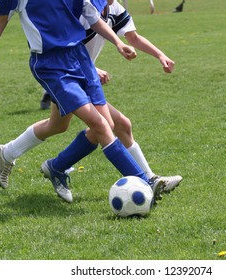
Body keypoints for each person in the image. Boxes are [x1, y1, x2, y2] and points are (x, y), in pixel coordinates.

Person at [0, 0, 164, 204]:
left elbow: (93, 18)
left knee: (99, 125)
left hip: (81, 60)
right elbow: (0, 20)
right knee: (99, 125)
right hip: (51, 65)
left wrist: (119, 43)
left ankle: (44, 164)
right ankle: (144, 182)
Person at [39, 0, 183, 200]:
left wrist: (160, 55)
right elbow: (67, 43)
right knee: (94, 126)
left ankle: (42, 162)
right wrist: (92, 69)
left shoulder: (114, 9)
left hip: (83, 77)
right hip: (69, 74)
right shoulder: (81, 7)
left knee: (115, 125)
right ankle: (54, 165)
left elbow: (132, 37)